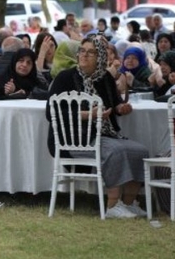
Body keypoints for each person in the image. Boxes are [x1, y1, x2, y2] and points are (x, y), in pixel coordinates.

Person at [46, 34, 150, 219]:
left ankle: (129, 202)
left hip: (102, 135)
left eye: (91, 53)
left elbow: (114, 105)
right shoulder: (65, 78)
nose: (84, 55)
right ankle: (112, 206)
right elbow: (51, 112)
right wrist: (88, 115)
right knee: (116, 151)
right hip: (73, 139)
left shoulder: (105, 79)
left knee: (140, 151)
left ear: (101, 57)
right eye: (82, 51)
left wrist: (121, 108)